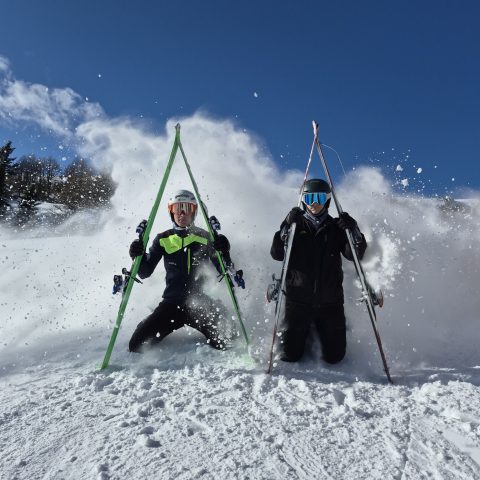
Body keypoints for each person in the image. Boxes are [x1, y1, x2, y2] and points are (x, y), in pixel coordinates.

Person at [270, 178, 367, 364]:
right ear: (303, 200)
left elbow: (355, 255)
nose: (313, 203)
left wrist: (353, 230)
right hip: (298, 301)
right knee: (289, 355)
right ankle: (305, 334)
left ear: (327, 200)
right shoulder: (295, 226)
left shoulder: (336, 228)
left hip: (330, 302)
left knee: (335, 357)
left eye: (319, 198)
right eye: (309, 198)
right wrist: (285, 225)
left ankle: (319, 332)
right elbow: (277, 254)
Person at [128, 189, 232, 352]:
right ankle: (148, 322)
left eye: (187, 208)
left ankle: (220, 311)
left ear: (194, 212)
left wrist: (224, 251)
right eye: (177, 208)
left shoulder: (206, 237)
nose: (182, 213)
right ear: (171, 212)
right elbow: (144, 272)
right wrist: (136, 255)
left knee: (227, 339)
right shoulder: (163, 239)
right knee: (136, 345)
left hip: (199, 304)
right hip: (171, 305)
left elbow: (225, 269)